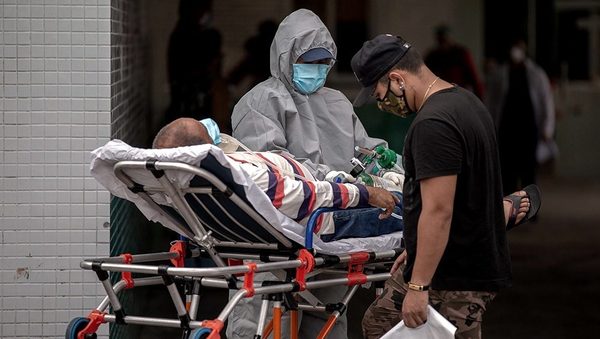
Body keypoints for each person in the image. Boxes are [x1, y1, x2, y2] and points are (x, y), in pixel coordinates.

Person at [351, 34, 520, 339]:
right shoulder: (467, 102)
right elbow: (467, 193)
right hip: (461, 262)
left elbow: (439, 210)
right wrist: (417, 247)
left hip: (454, 274)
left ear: (397, 79)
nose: (382, 105)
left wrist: (418, 285)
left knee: (381, 326)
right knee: (377, 323)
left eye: (379, 95)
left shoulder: (433, 124)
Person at [152, 117, 404, 242]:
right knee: (415, 209)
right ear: (205, 149)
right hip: (329, 217)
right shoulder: (240, 176)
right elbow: (306, 197)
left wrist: (330, 177)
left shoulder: (179, 184)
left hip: (322, 190)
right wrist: (365, 193)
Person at [230, 8, 404, 188]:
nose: (317, 68)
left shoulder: (336, 101)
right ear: (286, 57)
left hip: (347, 201)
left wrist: (385, 169)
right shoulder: (261, 101)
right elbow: (270, 163)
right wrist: (325, 177)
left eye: (322, 63)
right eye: (309, 62)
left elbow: (364, 152)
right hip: (296, 208)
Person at [484, 38, 556, 194]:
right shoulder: (500, 73)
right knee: (507, 170)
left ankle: (530, 206)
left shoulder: (536, 74)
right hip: (506, 128)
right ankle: (509, 208)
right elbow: (490, 102)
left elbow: (546, 102)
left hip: (528, 127)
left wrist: (547, 128)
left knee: (528, 170)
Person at [166, 0, 230, 132]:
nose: (207, 14)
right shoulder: (187, 35)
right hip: (191, 101)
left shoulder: (186, 32)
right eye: (205, 9)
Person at [425, 24, 484, 99]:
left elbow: (473, 77)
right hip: (440, 96)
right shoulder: (432, 56)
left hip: (458, 94)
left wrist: (479, 98)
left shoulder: (461, 53)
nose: (443, 45)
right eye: (440, 41)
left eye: (444, 40)